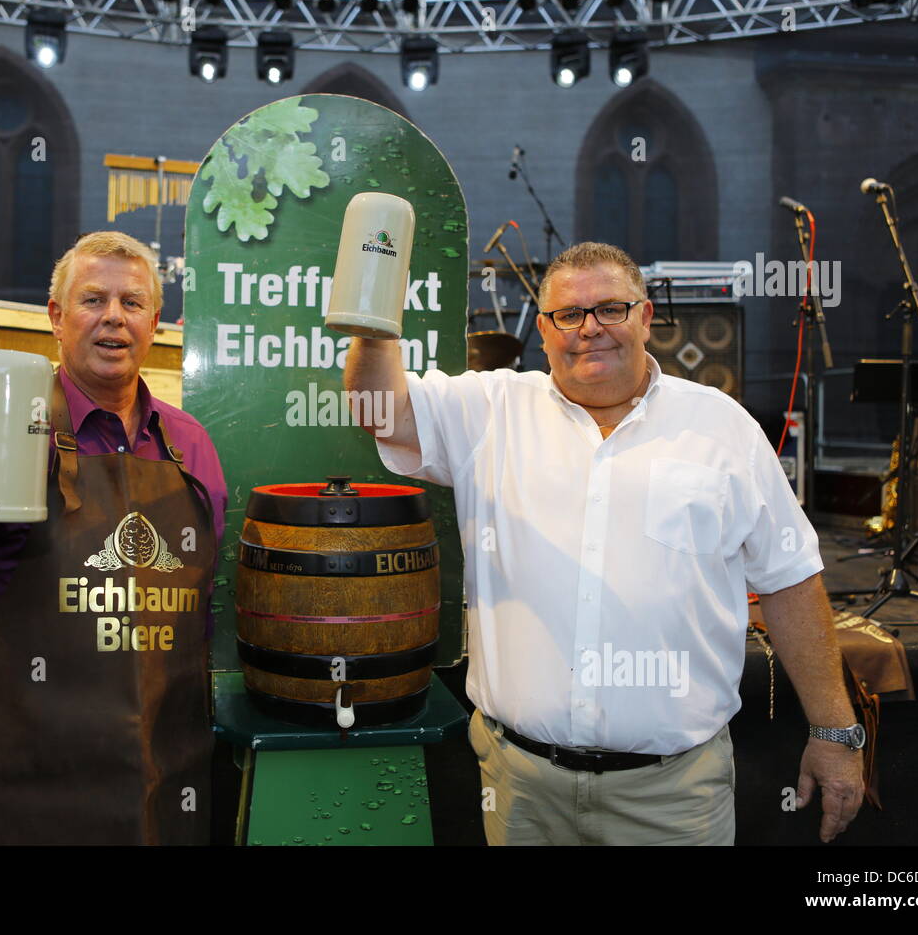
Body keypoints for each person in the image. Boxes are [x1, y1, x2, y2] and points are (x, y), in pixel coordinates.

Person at [343, 241, 864, 845]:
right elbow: (378, 409)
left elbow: (790, 579)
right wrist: (374, 319)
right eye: (569, 314)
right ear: (544, 330)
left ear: (645, 317)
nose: (590, 329)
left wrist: (834, 731)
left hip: (673, 800)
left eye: (611, 309)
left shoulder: (722, 428)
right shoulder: (489, 411)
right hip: (522, 791)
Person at [0, 231, 227, 844]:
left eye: (132, 302)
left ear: (155, 322)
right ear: (56, 317)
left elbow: (201, 616)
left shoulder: (191, 445)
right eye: (92, 299)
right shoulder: (7, 424)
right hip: (30, 798)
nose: (114, 316)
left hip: (166, 788)